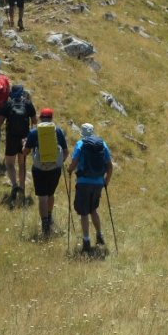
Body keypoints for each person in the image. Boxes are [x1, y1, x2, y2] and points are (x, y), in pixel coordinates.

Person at [67, 122, 113, 252]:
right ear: (93, 132)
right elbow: (109, 166)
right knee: (93, 209)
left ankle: (86, 241)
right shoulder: (102, 144)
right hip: (98, 182)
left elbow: (74, 163)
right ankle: (99, 235)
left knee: (84, 212)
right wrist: (106, 181)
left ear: (82, 133)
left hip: (83, 182)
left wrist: (69, 170)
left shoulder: (80, 144)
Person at [25, 108, 68, 236]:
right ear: (51, 118)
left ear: (40, 118)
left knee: (42, 197)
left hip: (39, 169)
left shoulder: (34, 132)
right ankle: (49, 217)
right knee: (50, 194)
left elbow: (25, 152)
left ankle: (45, 226)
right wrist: (59, 162)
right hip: (55, 169)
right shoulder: (58, 131)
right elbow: (65, 152)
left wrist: (24, 145)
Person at [0, 83, 37, 205]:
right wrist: (30, 137)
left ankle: (14, 185)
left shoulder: (8, 104)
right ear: (22, 92)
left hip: (11, 138)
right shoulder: (28, 104)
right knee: (22, 164)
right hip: (24, 139)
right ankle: (22, 190)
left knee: (9, 163)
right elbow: (34, 122)